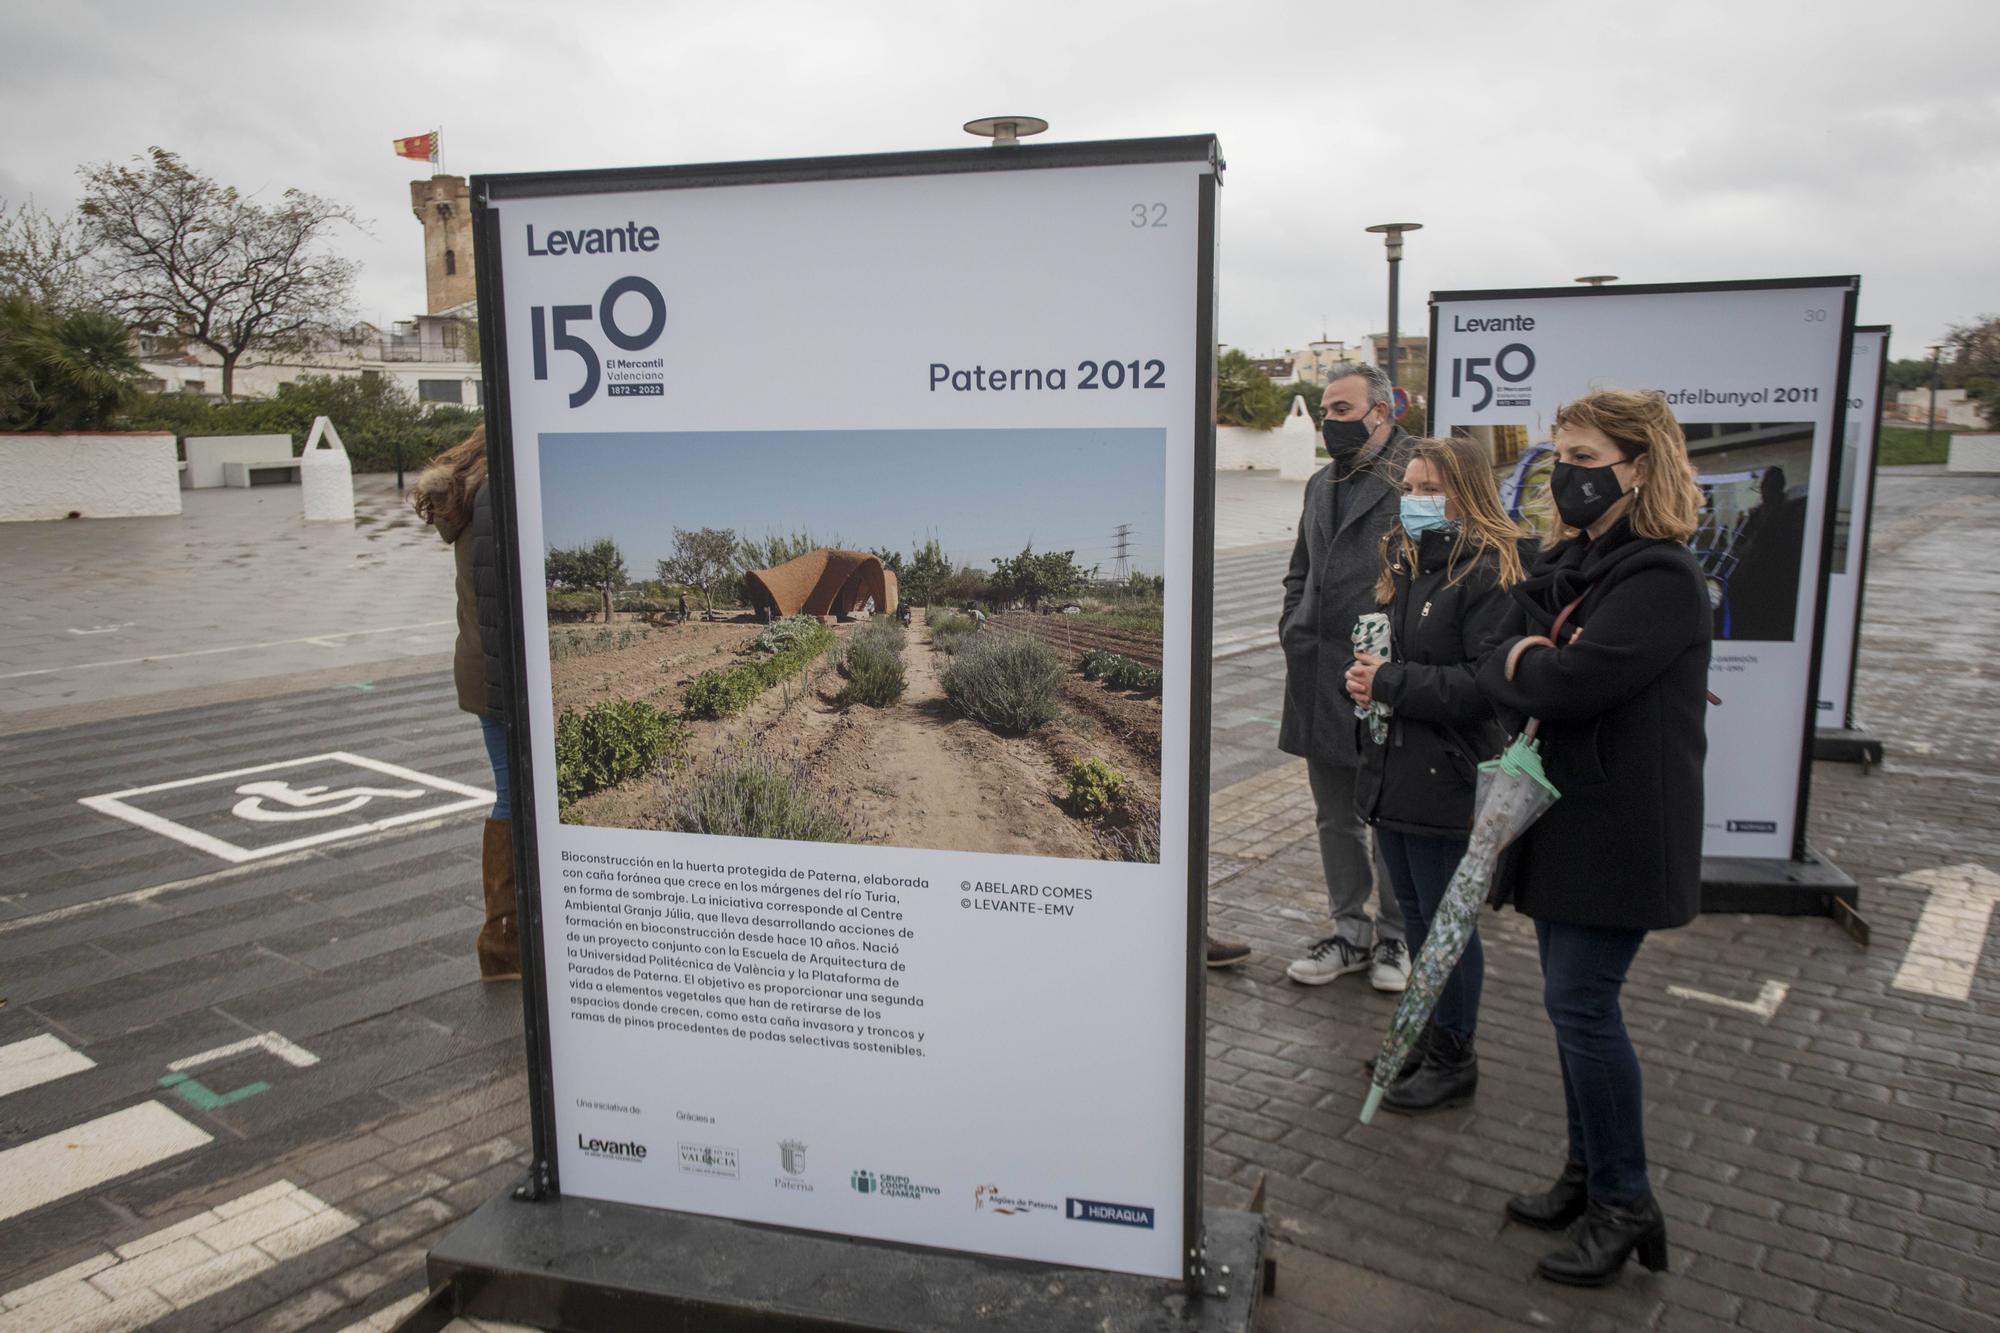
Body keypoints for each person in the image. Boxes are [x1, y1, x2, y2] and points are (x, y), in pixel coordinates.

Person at [1476, 388, 1710, 1286]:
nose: (1563, 476)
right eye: (1559, 458)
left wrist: (1528, 660)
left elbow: (1567, 683)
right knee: (1571, 1009)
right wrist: (1527, 654)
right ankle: (1587, 1176)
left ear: (1639, 467)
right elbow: (1508, 627)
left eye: (1583, 459)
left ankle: (1624, 1200)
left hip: (1619, 834)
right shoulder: (1585, 561)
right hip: (1573, 824)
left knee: (1584, 1007)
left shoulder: (1658, 577)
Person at [1345, 436, 1525, 1112]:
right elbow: (1392, 656)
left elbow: (1483, 687)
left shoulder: (1489, 572)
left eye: (1431, 488)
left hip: (1446, 775)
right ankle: (1424, 1034)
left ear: (1468, 493)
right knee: (1419, 918)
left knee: (1449, 924)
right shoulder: (1410, 562)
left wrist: (1389, 680)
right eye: (1410, 488)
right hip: (1394, 769)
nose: (1416, 500)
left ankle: (1455, 1053)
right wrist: (1363, 680)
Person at [1279, 361, 1410, 992]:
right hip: (1318, 671)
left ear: (1380, 413)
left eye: (1341, 411)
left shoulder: (1418, 471)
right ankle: (1350, 933)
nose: (1329, 422)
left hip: (1386, 675)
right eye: (1326, 411)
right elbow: (1298, 568)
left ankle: (1396, 938)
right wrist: (1294, 625)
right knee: (1335, 816)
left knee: (1390, 812)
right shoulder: (1319, 483)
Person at [413, 427, 520, 982]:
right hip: (501, 677)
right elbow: (505, 602)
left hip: (482, 669)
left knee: (509, 796)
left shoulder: (469, 487)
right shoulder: (497, 493)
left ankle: (507, 941)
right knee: (514, 800)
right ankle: (504, 945)